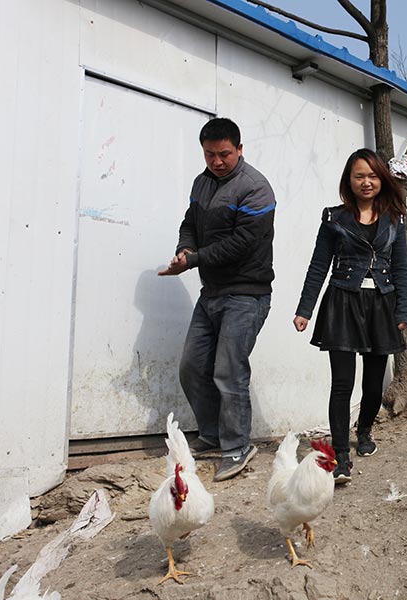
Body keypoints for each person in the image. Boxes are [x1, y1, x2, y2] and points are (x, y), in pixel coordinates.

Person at [159, 117, 275, 482]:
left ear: (239, 149)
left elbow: (241, 244)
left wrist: (193, 260)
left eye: (224, 154)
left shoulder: (256, 188)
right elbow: (189, 223)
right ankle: (212, 435)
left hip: (246, 294)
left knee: (229, 370)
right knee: (192, 367)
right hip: (211, 293)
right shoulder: (202, 182)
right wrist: (185, 248)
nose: (217, 161)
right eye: (210, 154)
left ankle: (238, 446)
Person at [293, 148, 407, 484]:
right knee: (342, 384)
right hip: (342, 302)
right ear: (349, 180)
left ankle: (365, 429)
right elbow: (318, 266)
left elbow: (401, 269)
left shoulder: (395, 219)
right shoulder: (334, 219)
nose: (366, 182)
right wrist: (305, 309)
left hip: (381, 305)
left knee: (373, 387)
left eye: (372, 176)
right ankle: (341, 456)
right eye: (359, 176)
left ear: (382, 179)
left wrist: (403, 311)